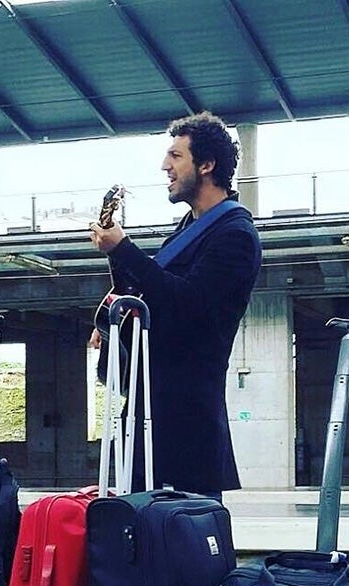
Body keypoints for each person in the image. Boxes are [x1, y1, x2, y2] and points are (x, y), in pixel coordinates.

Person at [90, 111, 262, 499]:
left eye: (175, 156)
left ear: (206, 165)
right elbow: (154, 290)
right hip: (150, 405)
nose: (165, 166)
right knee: (138, 533)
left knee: (190, 538)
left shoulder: (234, 235)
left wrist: (125, 249)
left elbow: (189, 303)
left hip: (187, 416)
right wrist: (112, 316)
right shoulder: (189, 228)